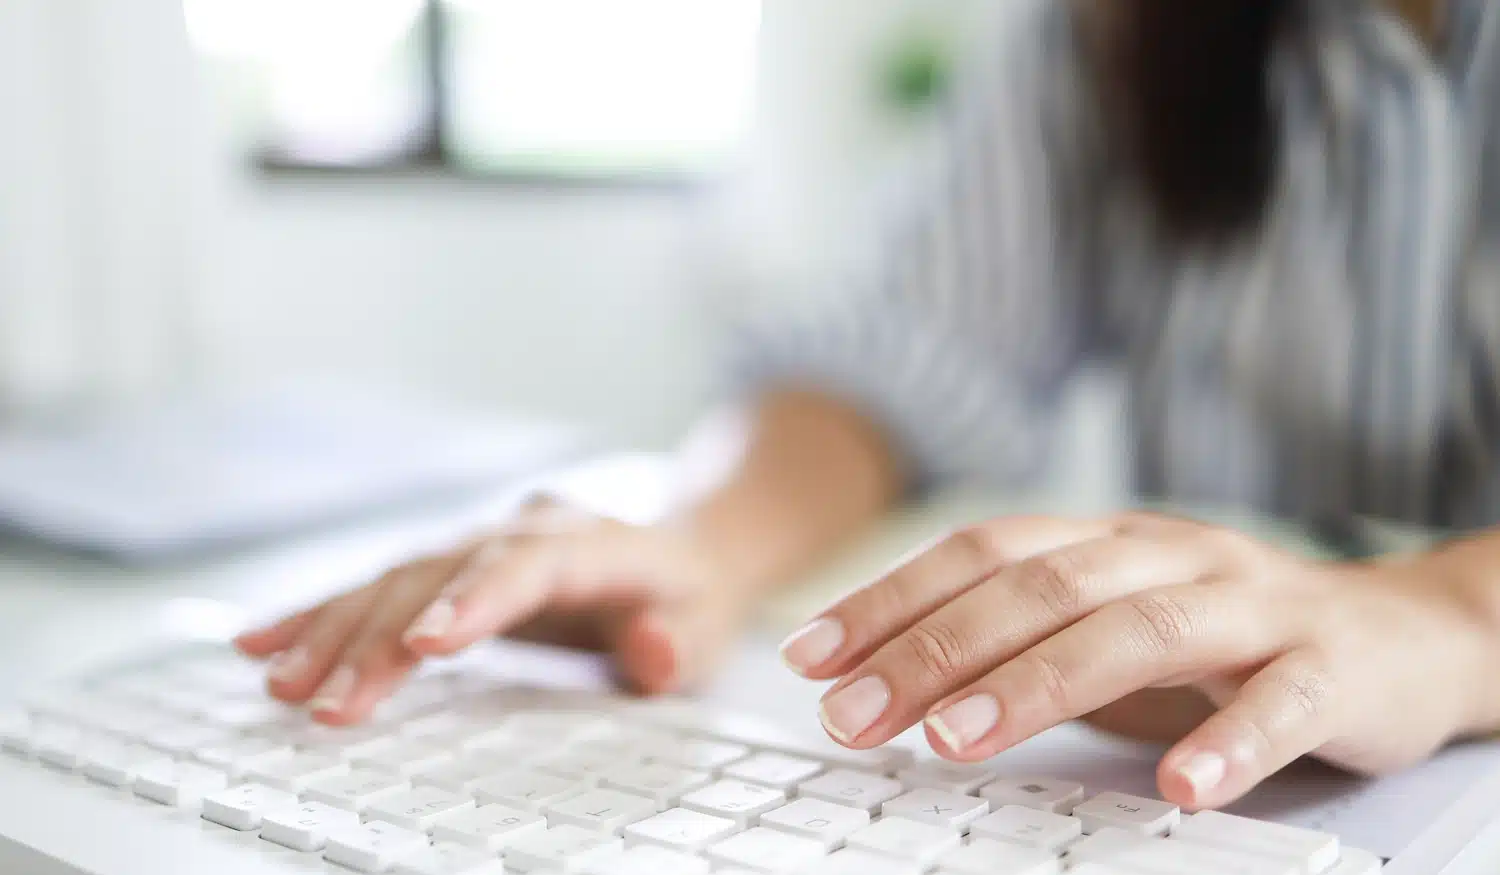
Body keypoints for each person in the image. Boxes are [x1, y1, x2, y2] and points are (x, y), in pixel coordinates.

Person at [236, 0, 1500, 811]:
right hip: (1203, 784)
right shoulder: (1109, 30)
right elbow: (901, 347)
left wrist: (1447, 610)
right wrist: (702, 543)